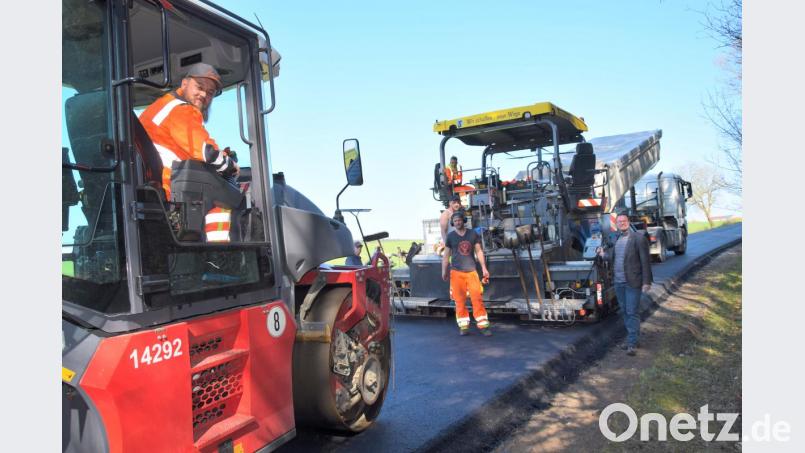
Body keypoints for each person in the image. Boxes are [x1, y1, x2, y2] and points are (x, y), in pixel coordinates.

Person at [139, 63, 240, 242]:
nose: (204, 95)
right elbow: (204, 151)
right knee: (226, 201)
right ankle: (220, 255)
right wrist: (229, 165)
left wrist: (222, 154)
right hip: (169, 189)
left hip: (152, 187)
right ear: (184, 84)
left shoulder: (162, 106)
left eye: (210, 93)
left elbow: (202, 141)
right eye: (199, 87)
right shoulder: (181, 109)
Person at [597, 214, 652, 356]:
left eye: (624, 221)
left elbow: (645, 261)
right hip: (619, 282)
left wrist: (646, 282)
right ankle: (634, 338)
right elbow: (614, 258)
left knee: (632, 311)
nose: (621, 223)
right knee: (626, 311)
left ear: (628, 222)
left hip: (633, 282)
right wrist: (603, 254)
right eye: (619, 222)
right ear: (617, 224)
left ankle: (632, 343)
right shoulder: (617, 239)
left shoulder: (638, 238)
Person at [442, 210, 491, 336]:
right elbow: (446, 255)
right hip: (456, 273)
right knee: (459, 301)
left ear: (463, 220)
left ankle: (483, 326)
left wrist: (484, 268)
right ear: (453, 223)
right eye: (455, 221)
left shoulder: (472, 234)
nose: (457, 222)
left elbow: (479, 252)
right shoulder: (451, 237)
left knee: (477, 299)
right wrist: (444, 271)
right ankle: (463, 326)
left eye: (459, 220)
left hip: (471, 272)